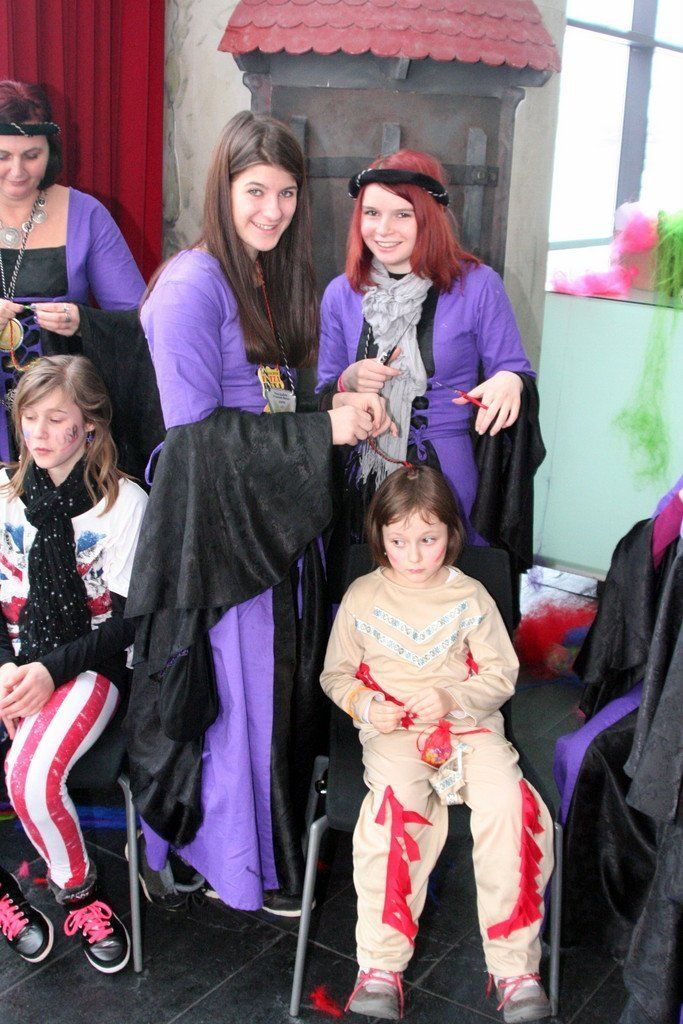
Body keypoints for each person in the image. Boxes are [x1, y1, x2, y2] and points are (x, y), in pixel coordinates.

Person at [130, 110, 386, 917]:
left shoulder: (259, 274)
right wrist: (323, 431)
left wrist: (333, 396)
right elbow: (195, 438)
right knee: (235, 706)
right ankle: (231, 864)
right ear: (224, 188)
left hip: (265, 514)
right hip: (220, 533)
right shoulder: (191, 285)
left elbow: (263, 401)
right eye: (254, 191)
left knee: (267, 702)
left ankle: (258, 852)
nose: (272, 210)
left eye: (285, 193)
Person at [320, 465, 553, 1022]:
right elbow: (336, 675)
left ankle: (515, 968)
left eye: (428, 539)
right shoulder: (362, 595)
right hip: (394, 734)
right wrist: (367, 705)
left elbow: (500, 675)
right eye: (398, 541)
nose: (414, 555)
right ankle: (381, 966)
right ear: (380, 537)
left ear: (451, 533)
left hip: (469, 727)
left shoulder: (470, 595)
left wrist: (452, 697)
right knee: (395, 813)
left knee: (512, 806)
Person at [316, 150, 541, 598]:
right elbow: (325, 393)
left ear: (429, 216)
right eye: (372, 213)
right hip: (365, 477)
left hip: (452, 477)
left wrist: (510, 381)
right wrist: (347, 383)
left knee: (455, 603)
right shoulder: (341, 294)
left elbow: (514, 369)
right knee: (370, 601)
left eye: (402, 214)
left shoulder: (478, 285)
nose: (383, 229)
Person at [0, 355, 148, 973]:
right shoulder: (4, 497)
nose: (38, 432)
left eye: (55, 418)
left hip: (89, 665)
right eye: (28, 417)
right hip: (13, 661)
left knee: (30, 778)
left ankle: (81, 897)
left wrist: (47, 671)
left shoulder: (123, 503)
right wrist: (7, 667)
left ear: (89, 425)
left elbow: (126, 624)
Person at [0, 80, 146, 463]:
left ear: (51, 151)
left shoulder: (86, 214)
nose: (17, 171)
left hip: (62, 426)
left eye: (32, 155)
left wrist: (83, 322)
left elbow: (140, 321)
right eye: (2, 156)